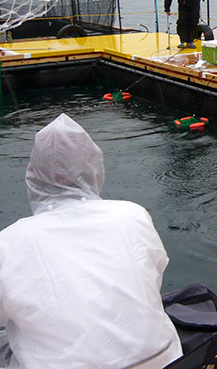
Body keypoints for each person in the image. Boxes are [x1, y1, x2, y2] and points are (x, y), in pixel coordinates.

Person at [0, 114, 182, 368]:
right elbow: (154, 273)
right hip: (163, 360)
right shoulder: (132, 214)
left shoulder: (9, 242)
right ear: (94, 171)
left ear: (34, 178)